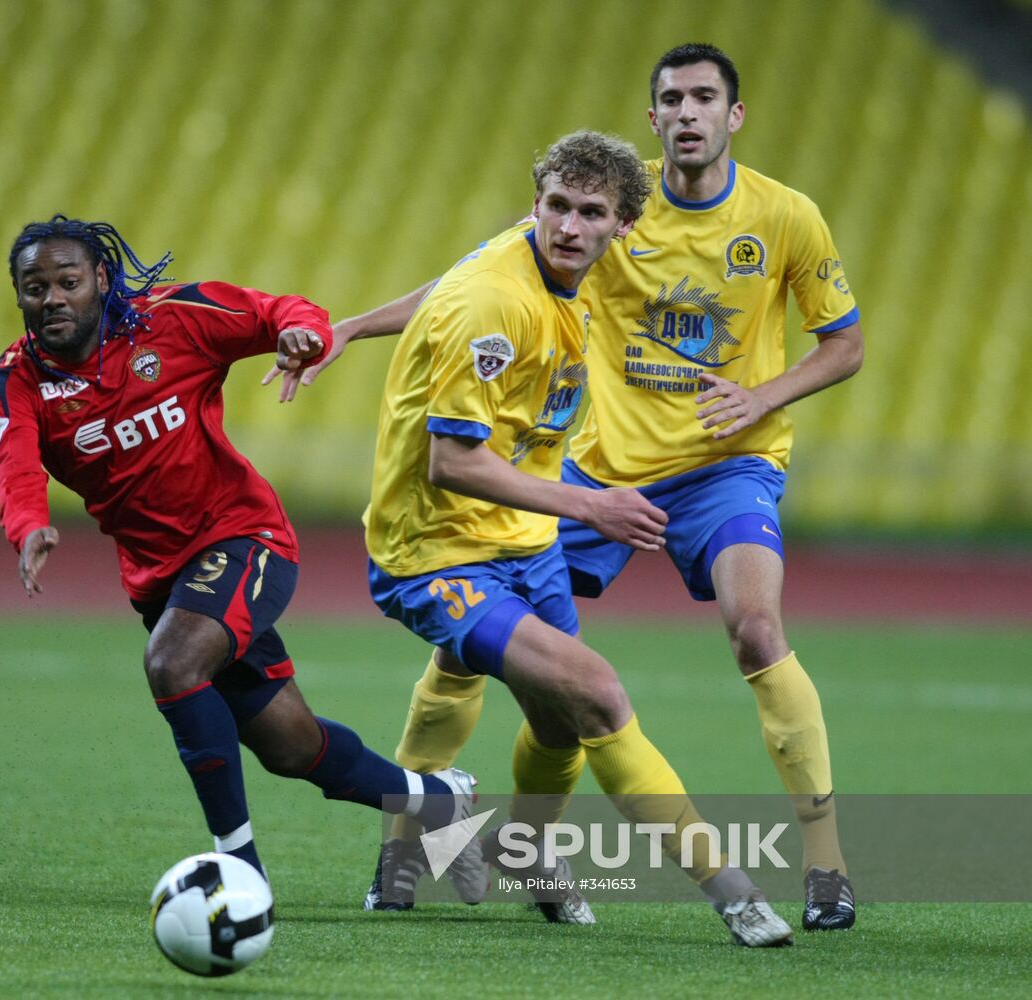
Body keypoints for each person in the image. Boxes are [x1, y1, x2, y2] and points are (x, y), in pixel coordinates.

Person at [276, 44, 861, 933]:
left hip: (723, 462)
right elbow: (468, 283)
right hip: (585, 475)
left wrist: (758, 397)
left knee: (749, 629)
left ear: (733, 116)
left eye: (706, 97)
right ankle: (417, 850)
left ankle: (824, 865)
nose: (690, 111)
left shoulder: (782, 218)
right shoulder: (584, 215)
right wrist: (352, 327)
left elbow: (844, 343)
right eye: (672, 97)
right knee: (521, 674)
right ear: (653, 115)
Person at [347, 129, 792, 947]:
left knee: (552, 721)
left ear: (622, 228)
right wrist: (588, 507)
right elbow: (451, 461)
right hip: (435, 551)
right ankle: (731, 890)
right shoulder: (496, 302)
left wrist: (348, 327)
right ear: (535, 203)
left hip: (525, 536)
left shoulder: (564, 265)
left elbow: (437, 288)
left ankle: (518, 853)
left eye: (590, 213)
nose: (567, 226)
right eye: (555, 206)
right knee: (594, 691)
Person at [0, 214, 482, 893]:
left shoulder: (173, 321)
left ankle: (237, 871)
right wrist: (27, 525)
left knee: (172, 660)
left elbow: (277, 312)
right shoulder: (14, 382)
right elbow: (14, 467)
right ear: (19, 296)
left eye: (67, 281)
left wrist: (300, 333)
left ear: (101, 279)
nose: (52, 299)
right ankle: (437, 800)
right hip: (160, 578)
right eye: (34, 287)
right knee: (292, 747)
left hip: (243, 537)